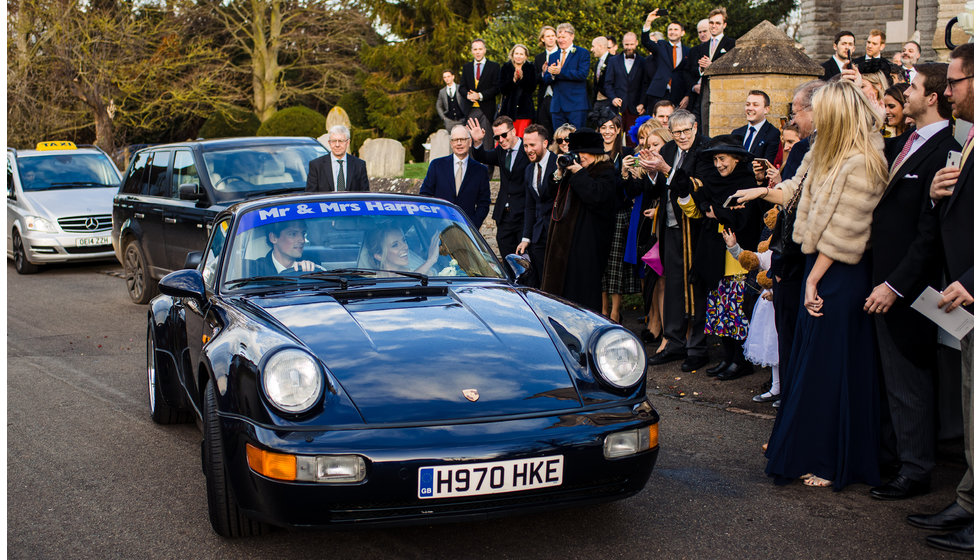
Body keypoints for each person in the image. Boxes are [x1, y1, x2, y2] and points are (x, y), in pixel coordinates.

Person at [738, 80, 888, 489]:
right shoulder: (824, 150)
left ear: (837, 113)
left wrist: (814, 280)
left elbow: (846, 231)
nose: (812, 116)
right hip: (816, 268)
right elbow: (795, 188)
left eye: (820, 109)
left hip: (840, 274)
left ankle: (830, 459)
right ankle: (808, 450)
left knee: (831, 368)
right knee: (809, 364)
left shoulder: (865, 158)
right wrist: (761, 192)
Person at [864, 62, 960, 502]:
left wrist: (895, 285)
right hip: (880, 274)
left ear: (933, 97)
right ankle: (894, 456)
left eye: (915, 88)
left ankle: (916, 469)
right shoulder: (904, 142)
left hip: (909, 286)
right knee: (890, 378)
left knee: (910, 379)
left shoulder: (946, 149)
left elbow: (929, 233)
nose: (907, 93)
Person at [908, 43, 974, 554]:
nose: (947, 90)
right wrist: (935, 195)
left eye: (954, 81)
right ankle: (969, 502)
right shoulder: (968, 139)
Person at [638, 109, 711, 372]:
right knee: (672, 287)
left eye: (685, 131)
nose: (680, 136)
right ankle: (674, 342)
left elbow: (696, 185)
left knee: (695, 287)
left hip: (695, 228)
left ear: (695, 128)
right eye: (676, 132)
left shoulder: (705, 149)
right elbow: (656, 189)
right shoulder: (668, 149)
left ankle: (697, 347)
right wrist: (651, 171)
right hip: (669, 225)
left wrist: (664, 169)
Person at [687, 136, 762, 381]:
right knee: (721, 312)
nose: (718, 164)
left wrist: (717, 211)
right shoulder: (713, 182)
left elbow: (743, 219)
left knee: (737, 312)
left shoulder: (746, 182)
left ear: (736, 158)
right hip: (716, 256)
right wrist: (722, 212)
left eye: (722, 159)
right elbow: (705, 208)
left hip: (737, 256)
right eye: (715, 160)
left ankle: (741, 361)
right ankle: (727, 358)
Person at [540, 128, 618, 312]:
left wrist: (578, 173)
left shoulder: (605, 172)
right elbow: (547, 196)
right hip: (564, 243)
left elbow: (596, 197)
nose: (579, 156)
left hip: (587, 243)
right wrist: (559, 174)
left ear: (595, 153)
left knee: (582, 292)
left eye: (583, 152)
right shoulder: (572, 170)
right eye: (576, 152)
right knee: (562, 291)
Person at [630, 121, 674, 351]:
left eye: (656, 144)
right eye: (648, 145)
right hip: (653, 228)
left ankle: (670, 334)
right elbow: (649, 192)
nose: (651, 149)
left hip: (672, 228)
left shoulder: (674, 164)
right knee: (656, 279)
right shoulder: (652, 169)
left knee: (667, 282)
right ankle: (657, 325)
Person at [467, 116, 530, 258]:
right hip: (504, 217)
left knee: (524, 261)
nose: (501, 140)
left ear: (513, 131)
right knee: (506, 259)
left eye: (504, 135)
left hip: (523, 216)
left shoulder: (527, 150)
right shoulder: (501, 151)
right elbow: (483, 156)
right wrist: (477, 142)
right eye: (497, 137)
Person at [598, 114, 639, 322]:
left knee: (615, 263)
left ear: (617, 130)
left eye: (611, 127)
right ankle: (602, 308)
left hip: (620, 214)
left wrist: (624, 174)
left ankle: (615, 310)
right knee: (601, 262)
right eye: (603, 127)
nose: (607, 131)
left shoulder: (626, 153)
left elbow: (631, 189)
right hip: (599, 215)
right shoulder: (595, 155)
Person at [419, 125, 491, 227]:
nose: (459, 143)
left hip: (466, 228)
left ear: (470, 142)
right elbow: (425, 195)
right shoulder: (437, 165)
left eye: (463, 139)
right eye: (455, 140)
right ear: (451, 143)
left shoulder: (480, 170)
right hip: (438, 225)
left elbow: (484, 203)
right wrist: (431, 221)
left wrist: (473, 225)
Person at [517, 124, 557, 288]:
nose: (528, 150)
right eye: (525, 145)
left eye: (532, 145)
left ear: (545, 143)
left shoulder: (558, 164)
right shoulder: (528, 170)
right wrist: (526, 238)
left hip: (558, 232)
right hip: (538, 235)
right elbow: (530, 206)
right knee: (540, 280)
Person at [686, 7, 735, 128]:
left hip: (722, 92)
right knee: (704, 124)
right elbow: (696, 71)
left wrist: (712, 66)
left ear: (724, 25)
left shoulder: (731, 44)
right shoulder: (703, 46)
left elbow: (732, 68)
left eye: (718, 23)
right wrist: (702, 69)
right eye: (711, 23)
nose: (714, 26)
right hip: (705, 91)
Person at [542, 22, 590, 130]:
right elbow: (547, 79)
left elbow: (582, 75)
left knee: (577, 140)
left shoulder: (582, 53)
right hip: (557, 106)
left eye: (563, 37)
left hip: (576, 105)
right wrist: (551, 74)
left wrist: (560, 72)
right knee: (558, 139)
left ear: (572, 36)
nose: (560, 40)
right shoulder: (553, 55)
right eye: (558, 37)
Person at [641, 13, 691, 110]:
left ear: (682, 32)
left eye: (676, 29)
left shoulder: (688, 51)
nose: (672, 32)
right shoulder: (661, 45)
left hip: (678, 95)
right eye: (670, 30)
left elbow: (689, 74)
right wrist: (648, 22)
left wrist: (687, 95)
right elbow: (646, 41)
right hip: (658, 93)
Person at [460, 39, 501, 152]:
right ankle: (472, 168)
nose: (478, 52)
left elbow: (496, 88)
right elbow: (462, 88)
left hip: (486, 111)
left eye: (480, 49)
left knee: (487, 142)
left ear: (485, 50)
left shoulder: (494, 66)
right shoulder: (467, 67)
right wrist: (467, 95)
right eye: (475, 49)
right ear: (472, 51)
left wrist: (480, 95)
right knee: (471, 142)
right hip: (470, 110)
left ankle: (488, 169)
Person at [306, 125, 370, 193]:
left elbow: (364, 195)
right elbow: (310, 196)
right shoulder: (316, 166)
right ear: (329, 143)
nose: (337, 145)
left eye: (341, 141)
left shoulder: (359, 165)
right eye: (333, 141)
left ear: (347, 142)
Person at [605, 32, 646, 135]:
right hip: (617, 107)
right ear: (622, 43)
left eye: (631, 44)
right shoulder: (613, 61)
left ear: (636, 43)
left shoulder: (643, 61)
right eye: (627, 44)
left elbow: (644, 85)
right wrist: (613, 98)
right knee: (614, 135)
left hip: (635, 107)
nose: (629, 47)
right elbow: (608, 83)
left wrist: (642, 103)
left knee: (633, 137)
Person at [246, 220, 320, 276]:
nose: (302, 240)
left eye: (303, 233)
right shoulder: (255, 269)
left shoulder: (313, 264)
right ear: (273, 238)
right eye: (293, 234)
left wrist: (310, 271)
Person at [367, 226, 440, 276]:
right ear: (379, 256)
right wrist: (430, 261)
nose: (405, 247)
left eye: (404, 240)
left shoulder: (425, 274)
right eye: (395, 245)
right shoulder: (370, 280)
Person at [731, 90, 781, 163]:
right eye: (748, 104)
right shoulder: (736, 133)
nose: (750, 108)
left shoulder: (773, 134)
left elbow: (768, 165)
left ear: (766, 109)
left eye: (755, 105)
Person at [499, 44, 537, 137]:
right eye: (516, 53)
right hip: (509, 110)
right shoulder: (506, 67)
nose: (518, 56)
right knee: (508, 137)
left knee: (522, 138)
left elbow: (532, 88)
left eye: (521, 54)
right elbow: (502, 89)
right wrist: (513, 80)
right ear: (512, 55)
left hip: (525, 110)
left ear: (526, 56)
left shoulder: (530, 67)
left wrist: (522, 78)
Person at [535, 26, 560, 136]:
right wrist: (543, 73)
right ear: (542, 39)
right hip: (544, 99)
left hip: (559, 98)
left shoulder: (562, 54)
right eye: (547, 36)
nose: (551, 38)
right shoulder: (539, 58)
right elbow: (535, 79)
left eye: (553, 36)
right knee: (544, 132)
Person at [590, 35, 614, 120]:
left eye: (593, 46)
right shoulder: (597, 63)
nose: (591, 50)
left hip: (609, 102)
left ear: (600, 46)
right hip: (598, 102)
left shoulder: (613, 60)